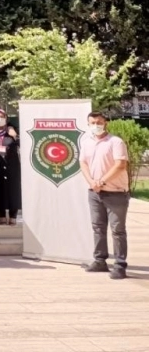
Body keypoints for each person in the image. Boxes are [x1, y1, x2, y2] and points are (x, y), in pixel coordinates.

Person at [80, 112, 130, 280]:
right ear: (88, 124)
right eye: (93, 122)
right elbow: (83, 163)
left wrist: (101, 181)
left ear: (106, 123)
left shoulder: (115, 142)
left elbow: (120, 165)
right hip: (94, 192)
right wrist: (92, 182)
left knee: (117, 230)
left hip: (116, 192)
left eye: (99, 122)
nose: (96, 125)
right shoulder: (86, 142)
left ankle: (120, 265)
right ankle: (100, 260)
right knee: (98, 228)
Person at [0, 109, 21, 225]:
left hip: (12, 165)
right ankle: (1, 214)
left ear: (6, 118)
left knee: (13, 189)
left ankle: (13, 215)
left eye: (2, 116)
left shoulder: (11, 132)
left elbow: (22, 144)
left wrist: (15, 136)